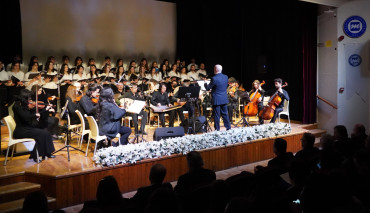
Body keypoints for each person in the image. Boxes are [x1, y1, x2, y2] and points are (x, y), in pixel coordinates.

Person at [12, 89, 56, 162]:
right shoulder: (17, 106)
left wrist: (45, 109)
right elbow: (26, 117)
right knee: (42, 134)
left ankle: (47, 153)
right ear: (24, 97)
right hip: (21, 130)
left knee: (46, 132)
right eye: (29, 98)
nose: (30, 99)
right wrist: (35, 115)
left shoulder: (23, 105)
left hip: (27, 128)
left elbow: (32, 114)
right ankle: (35, 155)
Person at [205, 64, 231, 131]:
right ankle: (228, 127)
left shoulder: (214, 78)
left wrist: (205, 83)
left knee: (217, 115)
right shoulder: (226, 77)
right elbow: (221, 86)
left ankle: (217, 129)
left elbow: (208, 88)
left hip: (217, 99)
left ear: (215, 69)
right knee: (225, 114)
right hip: (224, 98)